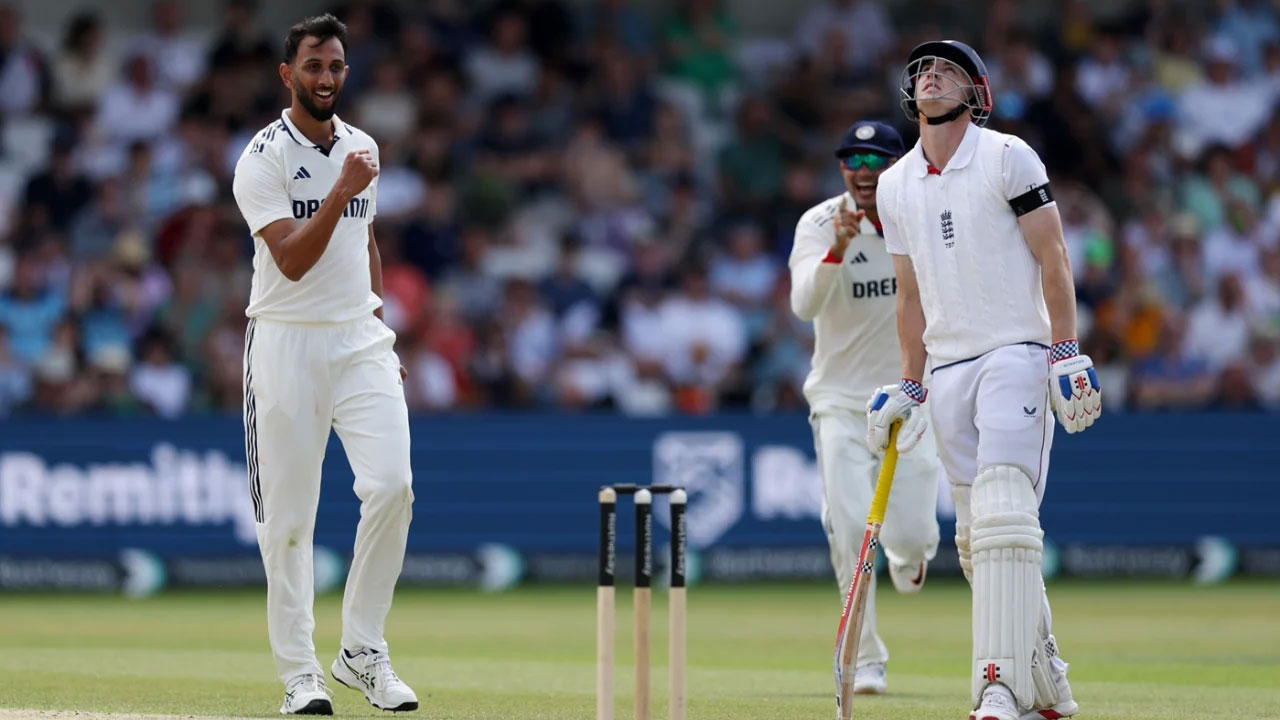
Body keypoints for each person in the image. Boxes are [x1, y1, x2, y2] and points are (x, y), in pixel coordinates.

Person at [867, 40, 1101, 720]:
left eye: (948, 70)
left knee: (1004, 513)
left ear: (976, 92)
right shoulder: (894, 184)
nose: (932, 77)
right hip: (947, 367)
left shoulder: (1007, 156)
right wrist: (910, 382)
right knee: (979, 544)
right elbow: (909, 295)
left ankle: (997, 688)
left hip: (1015, 352)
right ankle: (1047, 677)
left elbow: (1053, 256)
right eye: (924, 70)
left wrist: (1065, 350)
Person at [231, 14, 417, 715]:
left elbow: (363, 243)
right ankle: (300, 675)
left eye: (335, 65)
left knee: (393, 486)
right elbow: (292, 259)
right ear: (288, 74)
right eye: (313, 65)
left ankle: (362, 651)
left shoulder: (363, 146)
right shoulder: (262, 158)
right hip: (286, 341)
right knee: (287, 523)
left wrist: (379, 326)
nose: (326, 77)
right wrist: (341, 189)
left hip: (358, 340)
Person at [789, 120, 942, 695]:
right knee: (850, 526)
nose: (863, 170)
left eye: (876, 160)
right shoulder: (819, 223)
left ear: (898, 166)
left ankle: (910, 554)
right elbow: (803, 304)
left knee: (910, 536)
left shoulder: (922, 217)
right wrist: (838, 248)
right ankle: (867, 658)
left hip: (909, 394)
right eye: (852, 160)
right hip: (839, 400)